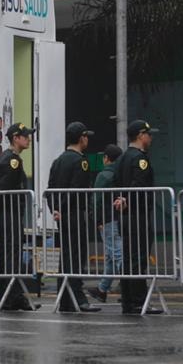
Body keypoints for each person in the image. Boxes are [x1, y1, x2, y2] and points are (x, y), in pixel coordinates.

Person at [45, 122, 101, 313]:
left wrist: (55, 209)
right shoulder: (81, 161)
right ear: (81, 138)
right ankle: (78, 297)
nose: (87, 140)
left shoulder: (58, 160)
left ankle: (66, 300)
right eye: (86, 136)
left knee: (65, 257)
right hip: (75, 213)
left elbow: (50, 188)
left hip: (62, 215)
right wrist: (63, 208)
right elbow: (77, 191)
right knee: (76, 256)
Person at [112, 120, 163, 315]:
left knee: (128, 259)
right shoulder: (139, 159)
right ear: (141, 135)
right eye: (148, 134)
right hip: (137, 214)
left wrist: (121, 199)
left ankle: (128, 301)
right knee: (138, 259)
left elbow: (115, 183)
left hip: (125, 216)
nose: (150, 138)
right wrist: (127, 199)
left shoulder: (123, 158)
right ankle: (138, 301)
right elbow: (139, 185)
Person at [0, 122, 37, 312]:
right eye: (25, 136)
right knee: (11, 254)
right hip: (11, 212)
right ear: (16, 138)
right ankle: (10, 298)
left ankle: (8, 297)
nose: (29, 139)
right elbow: (3, 188)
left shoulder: (6, 158)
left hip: (6, 212)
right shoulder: (12, 161)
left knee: (7, 253)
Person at [89, 144, 125, 303]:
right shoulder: (122, 173)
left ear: (106, 158)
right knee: (111, 255)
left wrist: (97, 220)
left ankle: (128, 288)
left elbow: (96, 200)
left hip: (108, 219)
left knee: (117, 254)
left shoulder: (104, 175)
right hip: (120, 218)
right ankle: (102, 289)